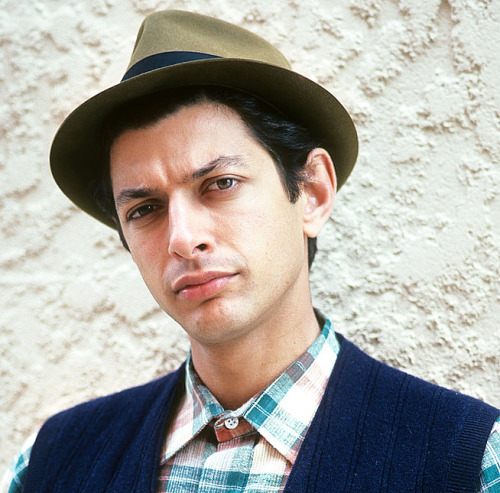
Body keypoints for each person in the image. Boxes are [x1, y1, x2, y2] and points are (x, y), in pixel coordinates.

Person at [2, 10, 499, 493]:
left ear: (312, 193)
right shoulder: (51, 463)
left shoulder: (470, 461)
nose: (181, 237)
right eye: (145, 209)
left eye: (220, 183)